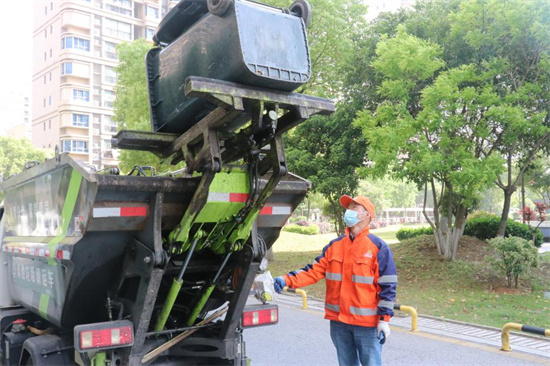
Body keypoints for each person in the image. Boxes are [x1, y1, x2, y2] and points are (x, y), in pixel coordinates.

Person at [274, 195, 397, 366]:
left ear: (367, 215)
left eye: (355, 208)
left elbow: (388, 286)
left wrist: (384, 320)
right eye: (349, 207)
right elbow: (313, 271)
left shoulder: (378, 248)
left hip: (367, 325)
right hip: (339, 323)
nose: (349, 211)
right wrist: (286, 280)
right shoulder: (334, 246)